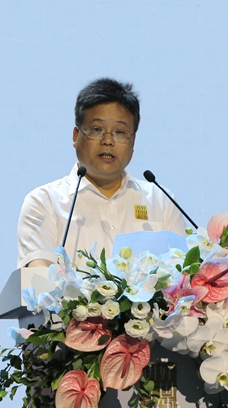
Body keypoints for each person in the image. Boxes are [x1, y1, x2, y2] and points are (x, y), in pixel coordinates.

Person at [17, 78, 187, 268]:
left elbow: (181, 274)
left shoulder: (162, 202)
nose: (108, 140)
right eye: (97, 130)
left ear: (133, 141)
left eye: (120, 132)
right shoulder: (44, 202)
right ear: (76, 136)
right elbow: (38, 277)